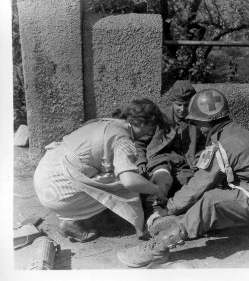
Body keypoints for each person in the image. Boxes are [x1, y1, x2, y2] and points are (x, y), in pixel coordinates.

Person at [117, 89, 249, 267]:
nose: (197, 127)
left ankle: (159, 246)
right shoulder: (233, 131)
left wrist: (169, 208)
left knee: (211, 201)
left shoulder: (223, 145)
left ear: (208, 121)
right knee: (215, 194)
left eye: (197, 122)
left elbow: (200, 184)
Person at [33, 98, 169, 242]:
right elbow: (129, 181)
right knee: (126, 183)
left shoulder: (109, 122)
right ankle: (70, 221)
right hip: (57, 190)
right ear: (141, 123)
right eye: (151, 127)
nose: (152, 132)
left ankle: (70, 215)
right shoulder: (122, 140)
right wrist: (156, 189)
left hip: (44, 176)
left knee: (116, 172)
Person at [135, 80, 205, 218]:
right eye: (178, 105)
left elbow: (203, 145)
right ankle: (153, 209)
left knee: (188, 183)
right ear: (172, 101)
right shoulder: (160, 118)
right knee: (163, 178)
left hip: (184, 164)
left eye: (186, 105)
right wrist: (141, 159)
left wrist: (199, 158)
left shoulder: (198, 121)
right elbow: (140, 142)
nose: (182, 109)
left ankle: (172, 211)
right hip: (161, 159)